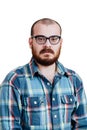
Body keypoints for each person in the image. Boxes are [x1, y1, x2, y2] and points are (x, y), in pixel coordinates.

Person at [0, 18, 87, 130]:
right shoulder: (14, 81)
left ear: (61, 43)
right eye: (40, 39)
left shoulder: (74, 80)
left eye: (54, 39)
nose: (47, 45)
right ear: (31, 42)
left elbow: (83, 125)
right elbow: (9, 127)